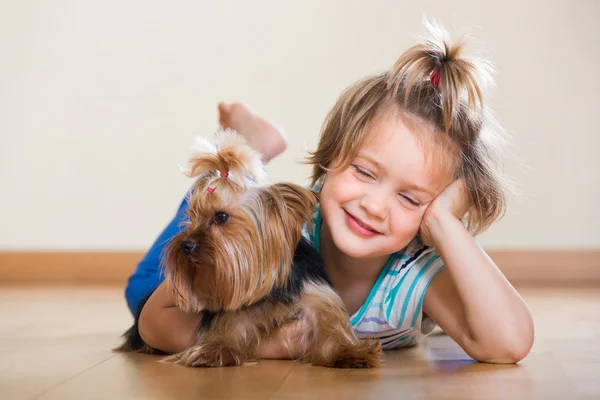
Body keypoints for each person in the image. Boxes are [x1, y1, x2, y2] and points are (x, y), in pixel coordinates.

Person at [124, 22, 534, 364]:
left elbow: (510, 343)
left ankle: (252, 156)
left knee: (228, 213)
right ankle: (247, 152)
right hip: (214, 262)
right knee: (172, 257)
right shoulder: (289, 230)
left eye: (410, 199)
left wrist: (447, 225)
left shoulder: (413, 275)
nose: (374, 206)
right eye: (363, 171)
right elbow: (154, 321)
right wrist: (283, 344)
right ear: (332, 156)